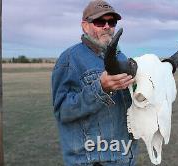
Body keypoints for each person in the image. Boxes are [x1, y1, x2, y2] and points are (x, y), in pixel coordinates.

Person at [51, 0, 138, 165]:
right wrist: (101, 88)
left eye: (111, 22)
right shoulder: (69, 59)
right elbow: (62, 112)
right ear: (85, 26)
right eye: (100, 22)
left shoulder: (121, 57)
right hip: (91, 161)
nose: (107, 26)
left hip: (125, 158)